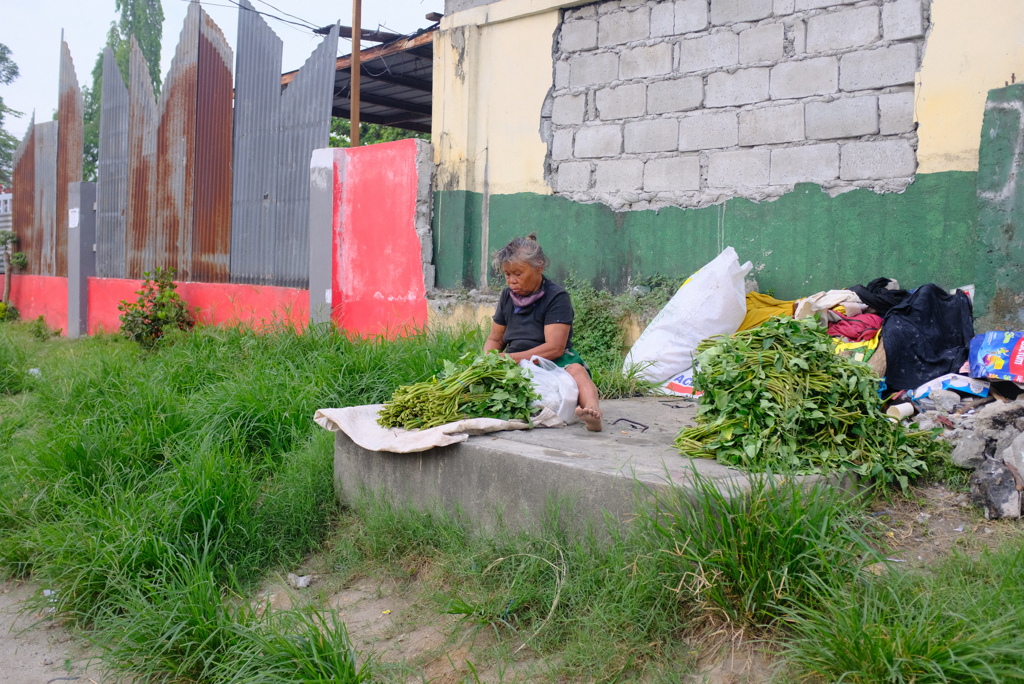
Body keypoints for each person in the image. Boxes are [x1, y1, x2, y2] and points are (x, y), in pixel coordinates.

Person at [484, 235, 603, 432]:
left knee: (578, 372)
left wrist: (510, 358)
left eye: (518, 274)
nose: (512, 281)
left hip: (552, 361)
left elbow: (555, 347)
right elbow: (495, 338)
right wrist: (488, 359)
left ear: (539, 267)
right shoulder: (507, 296)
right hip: (515, 361)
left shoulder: (556, 297)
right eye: (507, 275)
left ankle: (592, 413)